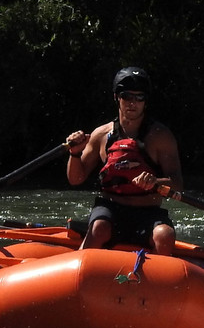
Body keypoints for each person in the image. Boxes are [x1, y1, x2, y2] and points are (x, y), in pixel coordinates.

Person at [65, 66, 184, 256]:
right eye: (127, 96)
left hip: (148, 211)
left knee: (165, 235)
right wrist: (74, 154)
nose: (133, 103)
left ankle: (158, 282)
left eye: (139, 97)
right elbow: (75, 179)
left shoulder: (160, 137)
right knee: (99, 228)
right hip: (110, 209)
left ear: (146, 102)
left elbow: (177, 184)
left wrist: (156, 182)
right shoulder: (101, 135)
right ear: (116, 97)